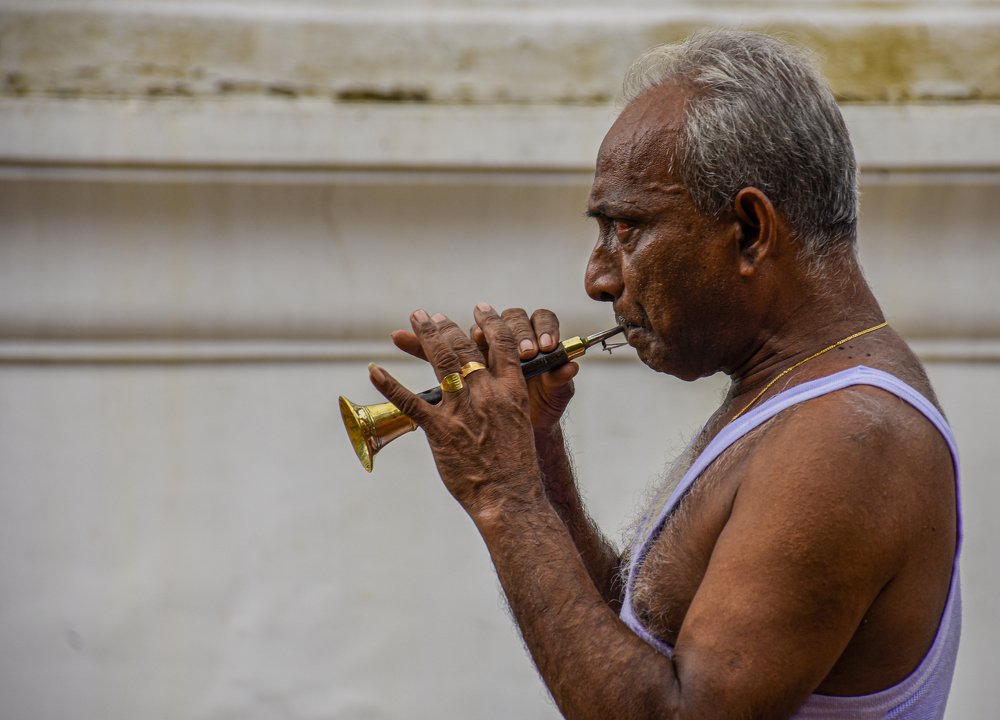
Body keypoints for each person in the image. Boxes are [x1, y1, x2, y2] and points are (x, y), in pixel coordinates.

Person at [368, 30, 961, 719]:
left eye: (626, 228)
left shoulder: (852, 438)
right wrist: (535, 460)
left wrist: (505, 496)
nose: (597, 277)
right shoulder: (793, 397)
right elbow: (638, 638)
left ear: (748, 230)